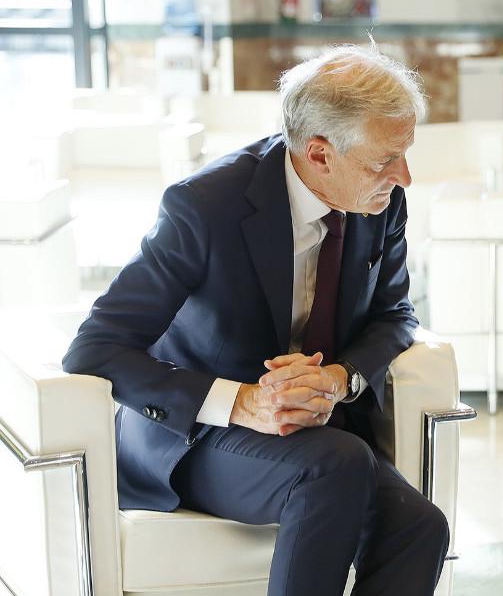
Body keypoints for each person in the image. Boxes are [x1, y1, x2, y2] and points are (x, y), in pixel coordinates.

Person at [63, 44, 449, 596]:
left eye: (405, 153)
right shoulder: (206, 207)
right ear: (319, 154)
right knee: (334, 463)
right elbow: (96, 349)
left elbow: (394, 313)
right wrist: (243, 402)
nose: (404, 176)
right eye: (384, 160)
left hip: (314, 433)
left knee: (420, 527)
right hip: (200, 436)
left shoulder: (379, 203)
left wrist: (339, 379)